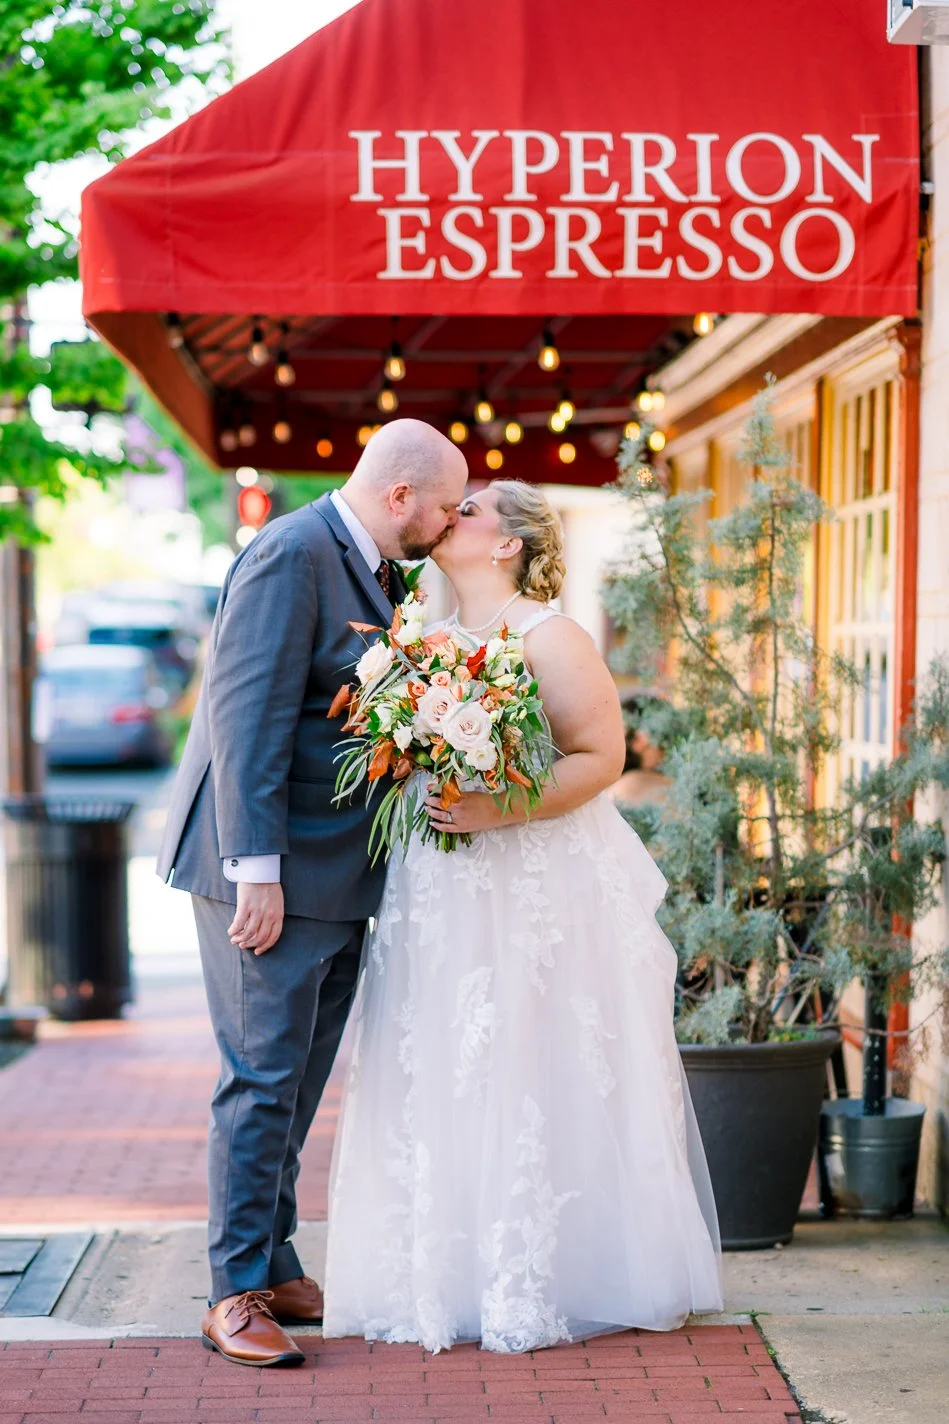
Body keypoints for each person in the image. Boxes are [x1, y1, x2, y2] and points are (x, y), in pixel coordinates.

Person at [322, 479, 724, 1354]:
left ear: (507, 544)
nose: (446, 516)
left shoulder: (552, 636)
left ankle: (552, 1273)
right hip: (436, 881)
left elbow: (601, 756)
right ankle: (442, 1275)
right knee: (438, 1053)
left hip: (531, 877)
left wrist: (500, 808)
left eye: (468, 511)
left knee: (528, 1056)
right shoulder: (414, 639)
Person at [156, 418, 469, 1367]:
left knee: (298, 1078)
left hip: (338, 874)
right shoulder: (290, 553)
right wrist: (257, 872)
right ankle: (233, 1292)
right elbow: (242, 715)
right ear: (400, 496)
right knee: (259, 1078)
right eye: (449, 506)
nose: (453, 523)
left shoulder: (381, 567)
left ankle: (276, 1254)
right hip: (268, 871)